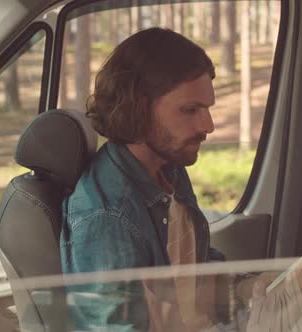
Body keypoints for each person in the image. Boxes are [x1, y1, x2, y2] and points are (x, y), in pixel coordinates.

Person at [60, 28, 223, 331]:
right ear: (139, 107)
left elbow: (192, 266)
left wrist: (258, 288)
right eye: (190, 110)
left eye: (207, 109)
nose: (208, 126)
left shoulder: (168, 167)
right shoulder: (108, 217)